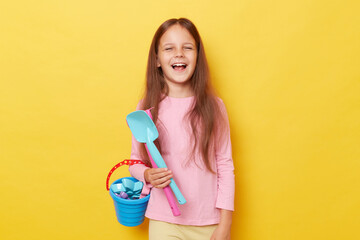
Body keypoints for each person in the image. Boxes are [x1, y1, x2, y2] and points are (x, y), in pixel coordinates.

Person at [128, 18, 235, 240]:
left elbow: (225, 165)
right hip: (164, 221)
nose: (179, 54)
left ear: (198, 57)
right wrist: (147, 174)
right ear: (157, 59)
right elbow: (135, 162)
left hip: (208, 222)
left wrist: (225, 224)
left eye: (187, 47)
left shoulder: (215, 107)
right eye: (169, 48)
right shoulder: (146, 109)